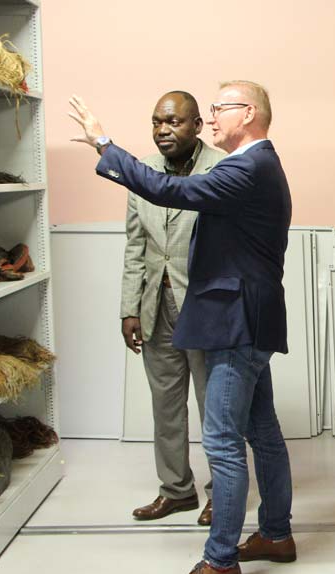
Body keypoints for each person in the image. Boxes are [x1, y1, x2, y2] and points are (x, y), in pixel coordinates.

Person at [69, 81, 295, 574]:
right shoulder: (258, 164)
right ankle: (277, 533)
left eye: (220, 108)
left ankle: (220, 563)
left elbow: (174, 191)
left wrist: (105, 146)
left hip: (236, 320)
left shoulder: (244, 166)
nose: (213, 117)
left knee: (221, 440)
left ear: (251, 113)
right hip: (247, 315)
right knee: (262, 431)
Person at [124, 91, 223, 526]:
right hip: (155, 305)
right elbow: (135, 245)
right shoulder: (141, 170)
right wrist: (129, 307)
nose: (163, 130)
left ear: (197, 126)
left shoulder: (221, 168)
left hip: (203, 306)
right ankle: (176, 490)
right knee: (165, 403)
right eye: (156, 122)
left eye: (174, 122)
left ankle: (223, 492)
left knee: (214, 405)